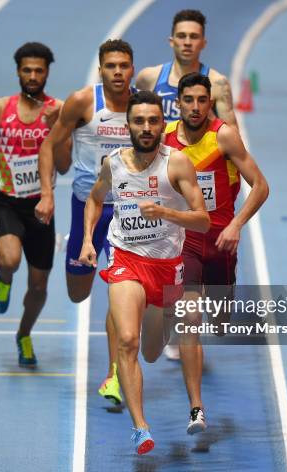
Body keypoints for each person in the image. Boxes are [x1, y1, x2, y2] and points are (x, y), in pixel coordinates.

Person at [79, 91, 210, 454]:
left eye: (153, 121)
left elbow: (202, 220)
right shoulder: (113, 164)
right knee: (127, 341)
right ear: (129, 126)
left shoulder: (177, 163)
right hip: (126, 259)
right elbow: (94, 199)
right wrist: (88, 241)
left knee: (151, 351)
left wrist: (167, 213)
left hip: (167, 268)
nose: (147, 127)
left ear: (160, 123)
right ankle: (140, 427)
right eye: (139, 121)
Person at [164, 72, 268, 433]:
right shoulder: (164, 143)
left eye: (201, 100)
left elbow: (261, 186)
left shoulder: (223, 136)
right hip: (185, 244)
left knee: (221, 324)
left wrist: (236, 224)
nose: (195, 107)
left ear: (210, 102)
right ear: (177, 103)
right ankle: (196, 409)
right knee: (190, 321)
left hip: (221, 243)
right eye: (188, 100)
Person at [136, 9, 241, 360]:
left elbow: (232, 139)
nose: (187, 42)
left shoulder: (218, 83)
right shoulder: (151, 78)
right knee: (177, 274)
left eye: (193, 37)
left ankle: (194, 316)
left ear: (203, 42)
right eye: (181, 36)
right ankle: (180, 324)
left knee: (222, 318)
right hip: (169, 188)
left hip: (210, 192)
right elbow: (133, 124)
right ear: (171, 40)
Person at [35, 39, 135, 402]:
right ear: (101, 70)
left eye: (124, 65)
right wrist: (47, 194)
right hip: (85, 208)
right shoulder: (82, 101)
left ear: (133, 69)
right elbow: (49, 146)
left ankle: (114, 375)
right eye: (111, 66)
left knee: (120, 292)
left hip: (128, 212)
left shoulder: (143, 107)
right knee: (78, 293)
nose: (118, 72)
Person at [0, 42, 67, 367]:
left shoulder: (58, 111)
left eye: (38, 70)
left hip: (42, 207)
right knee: (10, 260)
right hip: (9, 203)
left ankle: (24, 334)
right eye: (26, 70)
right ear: (17, 71)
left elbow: (66, 165)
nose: (32, 76)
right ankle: (4, 277)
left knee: (39, 286)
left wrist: (60, 129)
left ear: (47, 72)